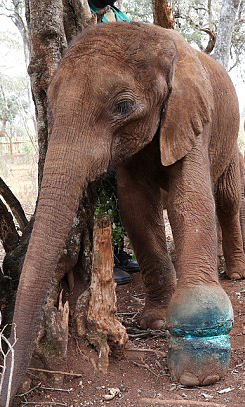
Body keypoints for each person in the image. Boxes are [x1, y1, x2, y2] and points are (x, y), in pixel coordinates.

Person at [89, 0, 139, 284]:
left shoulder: (117, 14)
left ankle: (119, 253)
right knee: (102, 193)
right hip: (97, 115)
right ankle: (103, 259)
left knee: (120, 192)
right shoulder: (84, 13)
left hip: (120, 113)